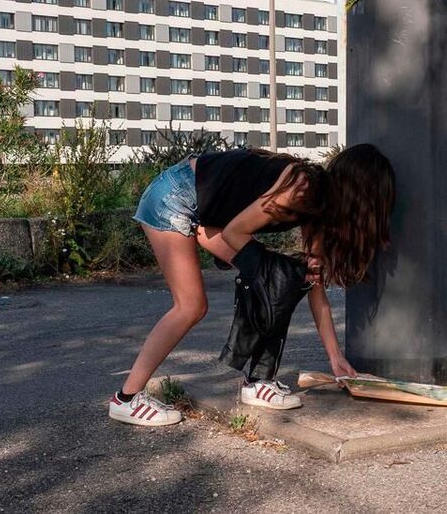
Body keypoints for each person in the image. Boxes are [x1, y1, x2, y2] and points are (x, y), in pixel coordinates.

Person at [109, 144, 396, 426]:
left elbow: (313, 283)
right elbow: (235, 232)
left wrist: (336, 358)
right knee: (192, 306)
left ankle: (257, 382)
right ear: (360, 198)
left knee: (289, 278)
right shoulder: (302, 186)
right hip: (175, 196)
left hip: (206, 209)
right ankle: (126, 399)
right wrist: (275, 271)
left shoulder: (318, 206)